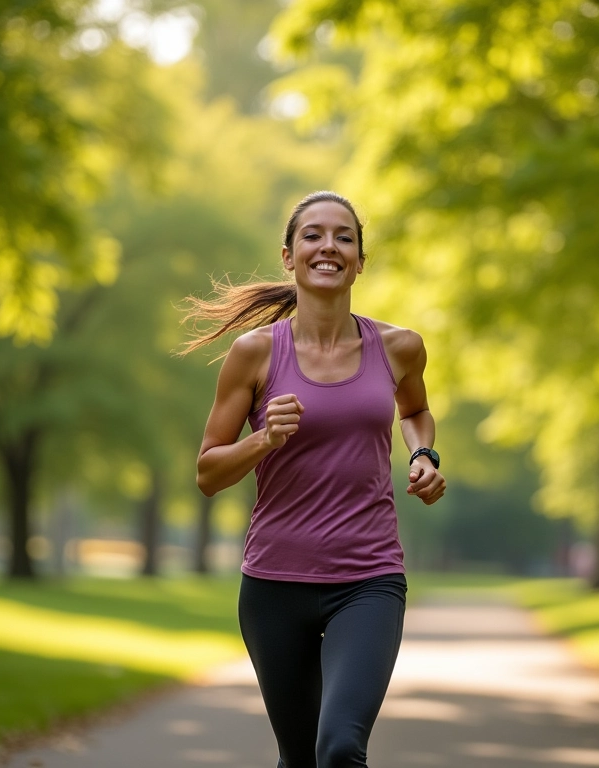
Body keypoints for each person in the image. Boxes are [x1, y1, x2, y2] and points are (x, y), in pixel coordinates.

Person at [184, 190, 446, 768]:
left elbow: (415, 411)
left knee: (339, 749)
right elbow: (206, 472)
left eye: (344, 237)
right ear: (288, 255)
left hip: (369, 579)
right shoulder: (253, 355)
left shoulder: (399, 347)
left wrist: (423, 455)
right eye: (314, 235)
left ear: (359, 260)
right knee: (299, 758)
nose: (329, 246)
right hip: (274, 582)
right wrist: (263, 439)